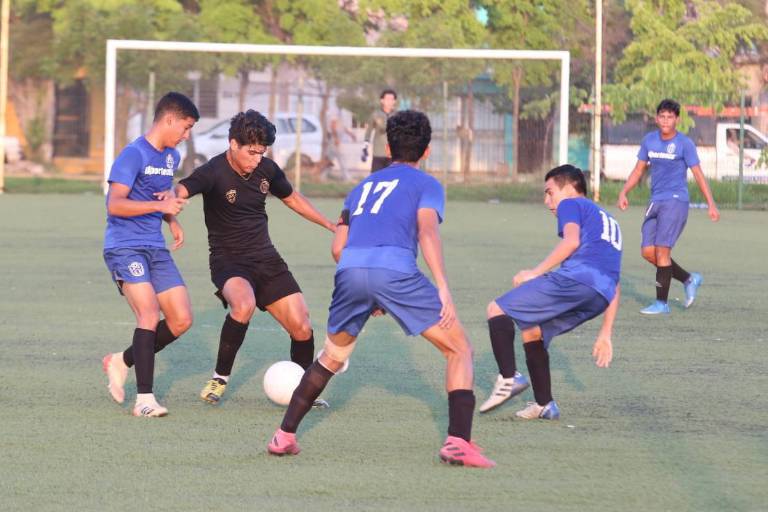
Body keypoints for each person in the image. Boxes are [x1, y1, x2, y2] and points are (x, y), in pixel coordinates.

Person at [267, 110, 495, 468]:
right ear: (427, 151)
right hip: (395, 272)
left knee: (332, 357)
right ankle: (458, 442)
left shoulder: (361, 188)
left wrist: (368, 289)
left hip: (350, 271)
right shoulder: (427, 185)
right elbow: (427, 231)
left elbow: (338, 248)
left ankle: (284, 435)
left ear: (387, 148)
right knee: (459, 349)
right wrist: (443, 287)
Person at [175, 110, 337, 406]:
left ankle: (304, 391)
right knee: (244, 304)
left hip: (265, 258)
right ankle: (219, 378)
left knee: (302, 325)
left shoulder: (267, 170)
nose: (257, 159)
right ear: (233, 144)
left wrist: (328, 224)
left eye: (262, 152)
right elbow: (183, 188)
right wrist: (169, 200)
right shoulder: (212, 171)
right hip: (228, 260)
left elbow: (292, 198)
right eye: (251, 152)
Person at [478, 165, 621, 420]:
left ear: (569, 188)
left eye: (549, 192)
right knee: (533, 331)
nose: (547, 201)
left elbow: (571, 241)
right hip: (600, 296)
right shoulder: (608, 220)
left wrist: (535, 272)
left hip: (577, 280)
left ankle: (508, 378)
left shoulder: (571, 203)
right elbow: (614, 281)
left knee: (496, 309)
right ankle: (544, 404)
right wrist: (605, 333)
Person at [101, 92, 199, 417]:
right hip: (124, 246)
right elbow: (115, 204)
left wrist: (171, 219)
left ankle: (121, 360)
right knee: (149, 313)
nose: (186, 135)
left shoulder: (171, 156)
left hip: (154, 246)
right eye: (185, 127)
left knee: (181, 319)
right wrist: (161, 208)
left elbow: (160, 194)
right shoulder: (133, 154)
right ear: (169, 120)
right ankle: (144, 400)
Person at [617, 99, 719, 315]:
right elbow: (638, 170)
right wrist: (624, 191)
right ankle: (689, 279)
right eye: (662, 116)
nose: (665, 120)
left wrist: (711, 203)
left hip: (675, 201)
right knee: (648, 252)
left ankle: (661, 304)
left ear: (677, 120)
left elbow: (698, 174)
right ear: (656, 118)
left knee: (662, 251)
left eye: (670, 117)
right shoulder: (649, 141)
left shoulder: (684, 144)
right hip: (655, 201)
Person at [361, 89, 397, 173]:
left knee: (392, 178)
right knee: (376, 178)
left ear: (394, 101)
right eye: (387, 99)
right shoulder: (375, 115)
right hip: (378, 153)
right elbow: (368, 132)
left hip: (393, 154)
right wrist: (365, 148)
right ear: (382, 100)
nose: (389, 102)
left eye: (392, 99)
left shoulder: (398, 115)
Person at [325, 117, 357, 182]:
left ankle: (323, 175)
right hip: (334, 143)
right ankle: (346, 178)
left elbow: (344, 128)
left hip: (334, 143)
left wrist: (352, 135)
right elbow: (333, 128)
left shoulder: (341, 122)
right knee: (342, 160)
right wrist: (336, 138)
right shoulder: (335, 118)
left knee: (329, 160)